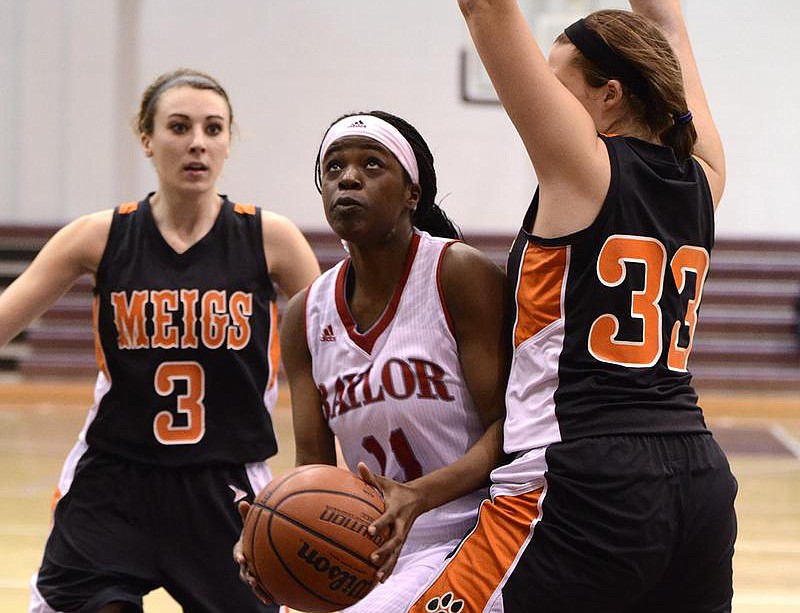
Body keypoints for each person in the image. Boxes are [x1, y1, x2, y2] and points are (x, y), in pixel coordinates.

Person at [402, 2, 739, 612]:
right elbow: (668, 26)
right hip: (700, 482)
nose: (546, 102)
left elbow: (484, 9)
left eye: (558, 87)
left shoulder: (585, 170)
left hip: (583, 478)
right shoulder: (705, 178)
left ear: (609, 96)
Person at [0, 68, 320, 613]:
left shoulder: (271, 239)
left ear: (227, 142)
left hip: (226, 486)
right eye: (179, 126)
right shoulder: (100, 235)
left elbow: (332, 355)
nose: (197, 141)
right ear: (147, 139)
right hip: (113, 483)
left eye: (213, 128)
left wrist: (321, 465)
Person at [234, 110, 510, 612]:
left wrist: (420, 496)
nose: (349, 178)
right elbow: (313, 467)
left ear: (412, 193)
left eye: (372, 164)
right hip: (373, 547)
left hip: (473, 531)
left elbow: (510, 431)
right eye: (334, 168)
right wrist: (271, 529)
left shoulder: (457, 273)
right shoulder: (305, 314)